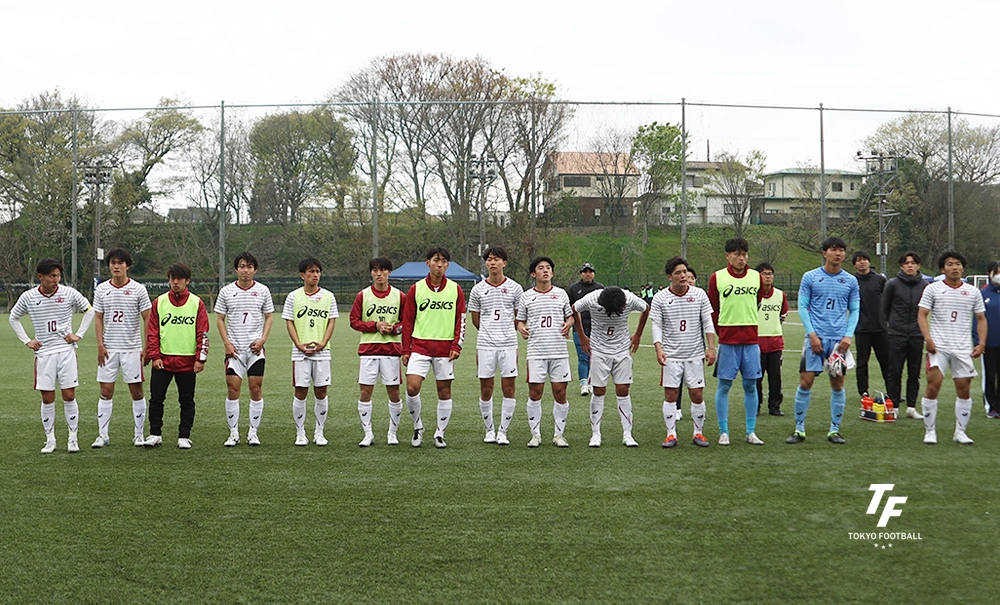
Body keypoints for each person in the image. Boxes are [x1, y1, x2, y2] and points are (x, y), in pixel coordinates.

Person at [9, 258, 95, 453]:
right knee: (47, 398)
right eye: (51, 276)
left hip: (66, 352)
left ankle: (73, 439)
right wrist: (27, 340)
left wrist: (78, 335)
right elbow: (14, 317)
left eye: (58, 275)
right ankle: (50, 440)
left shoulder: (69, 293)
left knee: (69, 394)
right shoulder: (29, 297)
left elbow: (89, 310)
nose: (56, 279)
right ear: (40, 277)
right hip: (44, 353)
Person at [786, 237, 859, 445]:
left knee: (837, 384)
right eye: (834, 250)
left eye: (842, 250)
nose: (838, 254)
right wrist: (812, 334)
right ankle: (799, 429)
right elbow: (802, 307)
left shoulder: (851, 281)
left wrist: (848, 335)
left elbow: (854, 310)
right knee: (805, 382)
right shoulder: (810, 277)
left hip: (838, 343)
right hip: (814, 340)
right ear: (824, 253)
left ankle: (834, 430)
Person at [917, 251, 987, 445]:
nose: (954, 267)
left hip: (963, 347)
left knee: (964, 390)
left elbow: (981, 319)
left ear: (963, 268)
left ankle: (960, 431)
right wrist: (928, 339)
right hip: (938, 347)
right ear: (942, 269)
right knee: (932, 387)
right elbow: (922, 315)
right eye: (949, 264)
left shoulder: (973, 292)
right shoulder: (933, 289)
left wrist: (981, 343)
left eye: (958, 264)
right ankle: (930, 431)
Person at [400, 247, 466, 448]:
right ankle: (417, 426)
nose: (440, 264)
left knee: (444, 390)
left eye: (444, 261)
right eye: (436, 260)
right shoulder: (416, 288)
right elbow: (408, 321)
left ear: (447, 265)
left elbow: (460, 319)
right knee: (412, 387)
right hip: (420, 347)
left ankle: (439, 433)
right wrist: (405, 349)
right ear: (427, 263)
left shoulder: (455, 289)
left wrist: (457, 345)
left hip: (446, 350)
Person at [651, 257, 716, 449]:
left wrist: (711, 347)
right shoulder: (660, 297)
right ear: (670, 276)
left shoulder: (699, 295)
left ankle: (698, 433)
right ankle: (671, 434)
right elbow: (656, 325)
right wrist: (659, 348)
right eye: (678, 272)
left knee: (697, 394)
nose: (683, 275)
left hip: (694, 354)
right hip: (671, 355)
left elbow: (707, 321)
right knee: (671, 394)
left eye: (685, 271)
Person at [573, 286, 649, 447]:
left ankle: (628, 434)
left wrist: (638, 334)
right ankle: (595, 434)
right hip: (599, 350)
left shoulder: (629, 298)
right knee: (599, 390)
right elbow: (575, 309)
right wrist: (581, 335)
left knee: (623, 390)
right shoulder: (592, 299)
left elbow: (646, 308)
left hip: (622, 350)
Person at [91, 248, 152, 448]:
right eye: (112, 263)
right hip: (109, 349)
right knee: (106, 391)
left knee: (136, 392)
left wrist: (146, 347)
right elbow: (98, 318)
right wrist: (100, 345)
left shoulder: (138, 289)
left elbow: (147, 318)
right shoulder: (101, 290)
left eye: (120, 263)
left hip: (132, 349)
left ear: (127, 265)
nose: (116, 266)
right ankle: (103, 435)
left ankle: (138, 434)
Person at [145, 263, 210, 449]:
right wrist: (155, 355)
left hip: (188, 362)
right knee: (156, 399)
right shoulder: (159, 302)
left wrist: (200, 359)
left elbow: (202, 333)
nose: (175, 282)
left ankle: (184, 435)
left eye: (179, 278)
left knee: (187, 400)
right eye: (172, 278)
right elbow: (153, 332)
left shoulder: (197, 303)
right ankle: (155, 433)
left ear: (187, 280)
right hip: (162, 362)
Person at [708, 237, 764, 446]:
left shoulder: (756, 277)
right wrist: (720, 332)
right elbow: (713, 308)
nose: (742, 258)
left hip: (751, 340)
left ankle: (751, 432)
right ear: (728, 256)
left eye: (745, 254)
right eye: (737, 254)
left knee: (751, 385)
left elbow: (756, 301)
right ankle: (724, 432)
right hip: (728, 342)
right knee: (724, 386)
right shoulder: (717, 278)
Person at [215, 252, 274, 447]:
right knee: (233, 389)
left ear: (255, 270)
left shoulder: (263, 291)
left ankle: (253, 432)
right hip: (235, 351)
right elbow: (220, 319)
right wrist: (227, 344)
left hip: (255, 350)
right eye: (242, 266)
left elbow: (269, 317)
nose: (245, 270)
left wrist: (262, 340)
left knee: (256, 389)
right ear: (236, 269)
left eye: (249, 266)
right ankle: (233, 433)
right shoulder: (226, 292)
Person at [468, 246, 524, 446]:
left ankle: (503, 431)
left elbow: (520, 317)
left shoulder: (516, 288)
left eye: (496, 259)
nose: (492, 263)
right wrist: (489, 333)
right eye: (489, 259)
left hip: (509, 344)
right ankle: (489, 429)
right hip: (485, 344)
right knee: (486, 388)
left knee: (509, 388)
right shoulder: (478, 289)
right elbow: (476, 319)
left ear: (504, 263)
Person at [516, 256, 575, 447]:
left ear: (552, 272)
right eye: (541, 268)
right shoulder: (526, 296)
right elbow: (520, 320)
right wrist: (521, 327)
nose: (545, 270)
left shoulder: (561, 294)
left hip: (559, 351)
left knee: (560, 392)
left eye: (548, 267)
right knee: (535, 392)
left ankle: (559, 435)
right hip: (536, 352)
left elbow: (571, 317)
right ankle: (535, 435)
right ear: (534, 274)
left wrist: (568, 323)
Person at [349, 256, 405, 446]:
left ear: (389, 272)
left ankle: (392, 433)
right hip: (369, 350)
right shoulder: (362, 295)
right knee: (365, 393)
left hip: (391, 351)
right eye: (374, 270)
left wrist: (394, 328)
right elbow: (354, 321)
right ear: (371, 272)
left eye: (382, 270)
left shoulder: (399, 296)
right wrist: (375, 325)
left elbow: (408, 322)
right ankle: (368, 433)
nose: (378, 274)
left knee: (394, 393)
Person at [282, 257, 338, 446]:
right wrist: (298, 343)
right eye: (311, 272)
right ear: (302, 275)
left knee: (321, 392)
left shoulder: (329, 296)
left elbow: (331, 321)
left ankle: (319, 432)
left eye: (317, 272)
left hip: (323, 352)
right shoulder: (293, 296)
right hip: (300, 353)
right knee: (300, 391)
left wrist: (323, 342)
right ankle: (300, 433)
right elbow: (289, 321)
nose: (315, 275)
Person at [881, 252, 928, 418]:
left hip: (916, 334)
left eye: (913, 263)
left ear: (918, 266)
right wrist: (890, 328)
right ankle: (893, 406)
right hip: (896, 334)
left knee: (914, 372)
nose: (910, 266)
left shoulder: (924, 285)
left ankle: (911, 407)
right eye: (906, 263)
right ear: (901, 266)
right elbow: (884, 309)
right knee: (895, 371)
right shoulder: (892, 284)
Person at [852, 251, 890, 399]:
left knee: (886, 361)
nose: (862, 262)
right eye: (859, 260)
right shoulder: (852, 281)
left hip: (880, 327)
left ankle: (891, 390)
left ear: (869, 262)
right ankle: (863, 392)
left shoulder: (880, 280)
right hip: (861, 328)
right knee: (862, 362)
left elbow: (888, 300)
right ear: (855, 264)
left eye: (865, 259)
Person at [756, 262, 788, 416]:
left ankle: (774, 406)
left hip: (775, 343)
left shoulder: (780, 295)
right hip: (756, 343)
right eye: (764, 273)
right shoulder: (753, 295)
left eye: (770, 273)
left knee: (775, 377)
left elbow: (783, 315)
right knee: (756, 377)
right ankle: (755, 405)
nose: (767, 276)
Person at [567, 262, 603, 396]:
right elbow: (568, 309)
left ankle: (593, 382)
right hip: (579, 328)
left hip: (597, 328)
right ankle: (584, 384)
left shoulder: (600, 288)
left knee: (594, 357)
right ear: (581, 273)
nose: (588, 274)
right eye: (585, 272)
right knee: (583, 357)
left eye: (590, 271)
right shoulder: (574, 289)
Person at [979, 261, 1000, 418]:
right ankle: (991, 406)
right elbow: (977, 319)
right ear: (990, 274)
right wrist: (979, 341)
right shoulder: (982, 293)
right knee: (989, 375)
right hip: (988, 342)